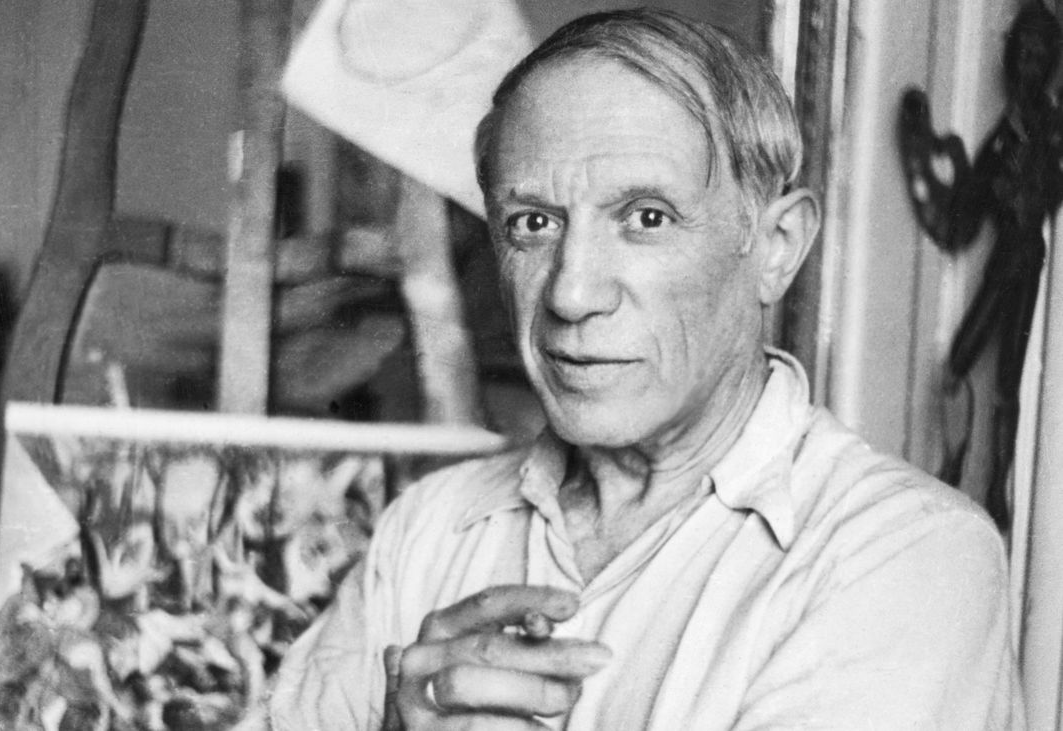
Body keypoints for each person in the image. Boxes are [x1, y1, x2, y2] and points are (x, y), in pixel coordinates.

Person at [270, 8, 1023, 729]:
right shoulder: (426, 530)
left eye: (646, 218)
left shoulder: (908, 555)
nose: (571, 294)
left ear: (776, 248)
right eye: (533, 223)